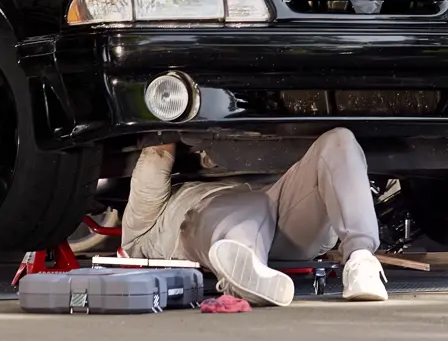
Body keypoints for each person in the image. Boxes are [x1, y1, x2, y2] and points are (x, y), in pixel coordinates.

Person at [120, 127, 389, 305]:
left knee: (339, 140)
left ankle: (361, 260)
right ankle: (243, 266)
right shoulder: (145, 232)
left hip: (283, 221)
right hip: (211, 223)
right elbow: (156, 156)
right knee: (243, 203)